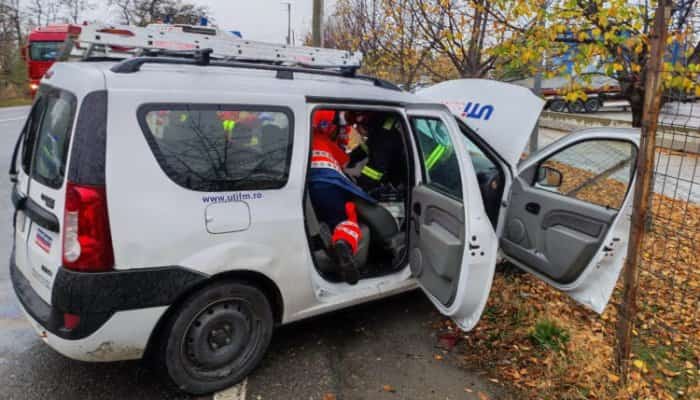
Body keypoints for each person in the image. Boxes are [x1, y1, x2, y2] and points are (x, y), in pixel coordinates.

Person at [308, 110, 375, 284]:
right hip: (329, 185)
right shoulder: (325, 140)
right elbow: (345, 162)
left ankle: (327, 237)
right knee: (347, 218)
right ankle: (343, 243)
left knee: (323, 215)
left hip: (307, 189)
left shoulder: (303, 137)